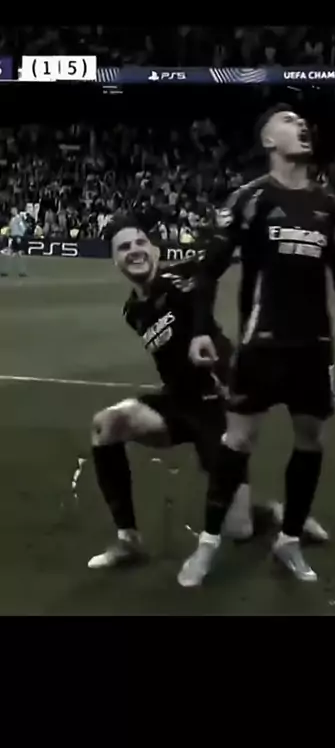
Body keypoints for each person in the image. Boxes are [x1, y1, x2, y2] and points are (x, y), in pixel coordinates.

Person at [178, 104, 335, 587]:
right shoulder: (250, 198)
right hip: (262, 345)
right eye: (289, 121)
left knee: (310, 441)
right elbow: (207, 270)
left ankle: (289, 539)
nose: (301, 126)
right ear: (269, 140)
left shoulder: (329, 207)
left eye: (302, 122)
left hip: (314, 348)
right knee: (238, 441)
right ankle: (207, 543)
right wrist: (200, 330)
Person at [88, 215, 251, 569]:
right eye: (124, 247)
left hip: (216, 406)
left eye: (140, 243)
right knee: (107, 424)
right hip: (177, 404)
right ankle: (128, 541)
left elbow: (213, 263)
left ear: (155, 250)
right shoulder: (133, 311)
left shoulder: (181, 277)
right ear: (115, 260)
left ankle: (270, 512)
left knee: (240, 528)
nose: (134, 251)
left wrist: (230, 225)